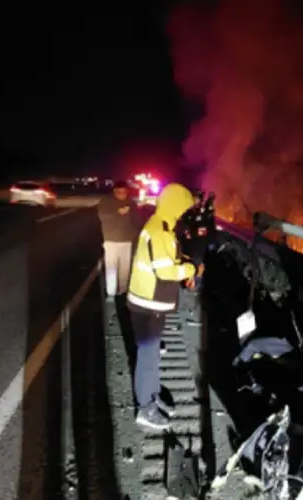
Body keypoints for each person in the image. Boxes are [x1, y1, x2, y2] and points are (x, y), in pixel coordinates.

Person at [127, 182, 203, 430]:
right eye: (183, 209)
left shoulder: (162, 226)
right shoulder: (160, 231)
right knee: (147, 357)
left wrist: (184, 260)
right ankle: (145, 408)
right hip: (148, 304)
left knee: (152, 356)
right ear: (174, 206)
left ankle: (153, 394)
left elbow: (166, 258)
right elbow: (165, 271)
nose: (184, 214)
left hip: (150, 302)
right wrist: (189, 269)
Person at [97, 180, 138, 298]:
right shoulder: (106, 201)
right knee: (111, 268)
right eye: (119, 192)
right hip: (111, 241)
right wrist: (118, 212)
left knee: (125, 269)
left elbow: (136, 219)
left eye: (124, 192)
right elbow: (102, 216)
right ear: (114, 192)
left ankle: (123, 293)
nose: (122, 195)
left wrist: (134, 234)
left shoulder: (130, 202)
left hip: (126, 240)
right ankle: (111, 294)